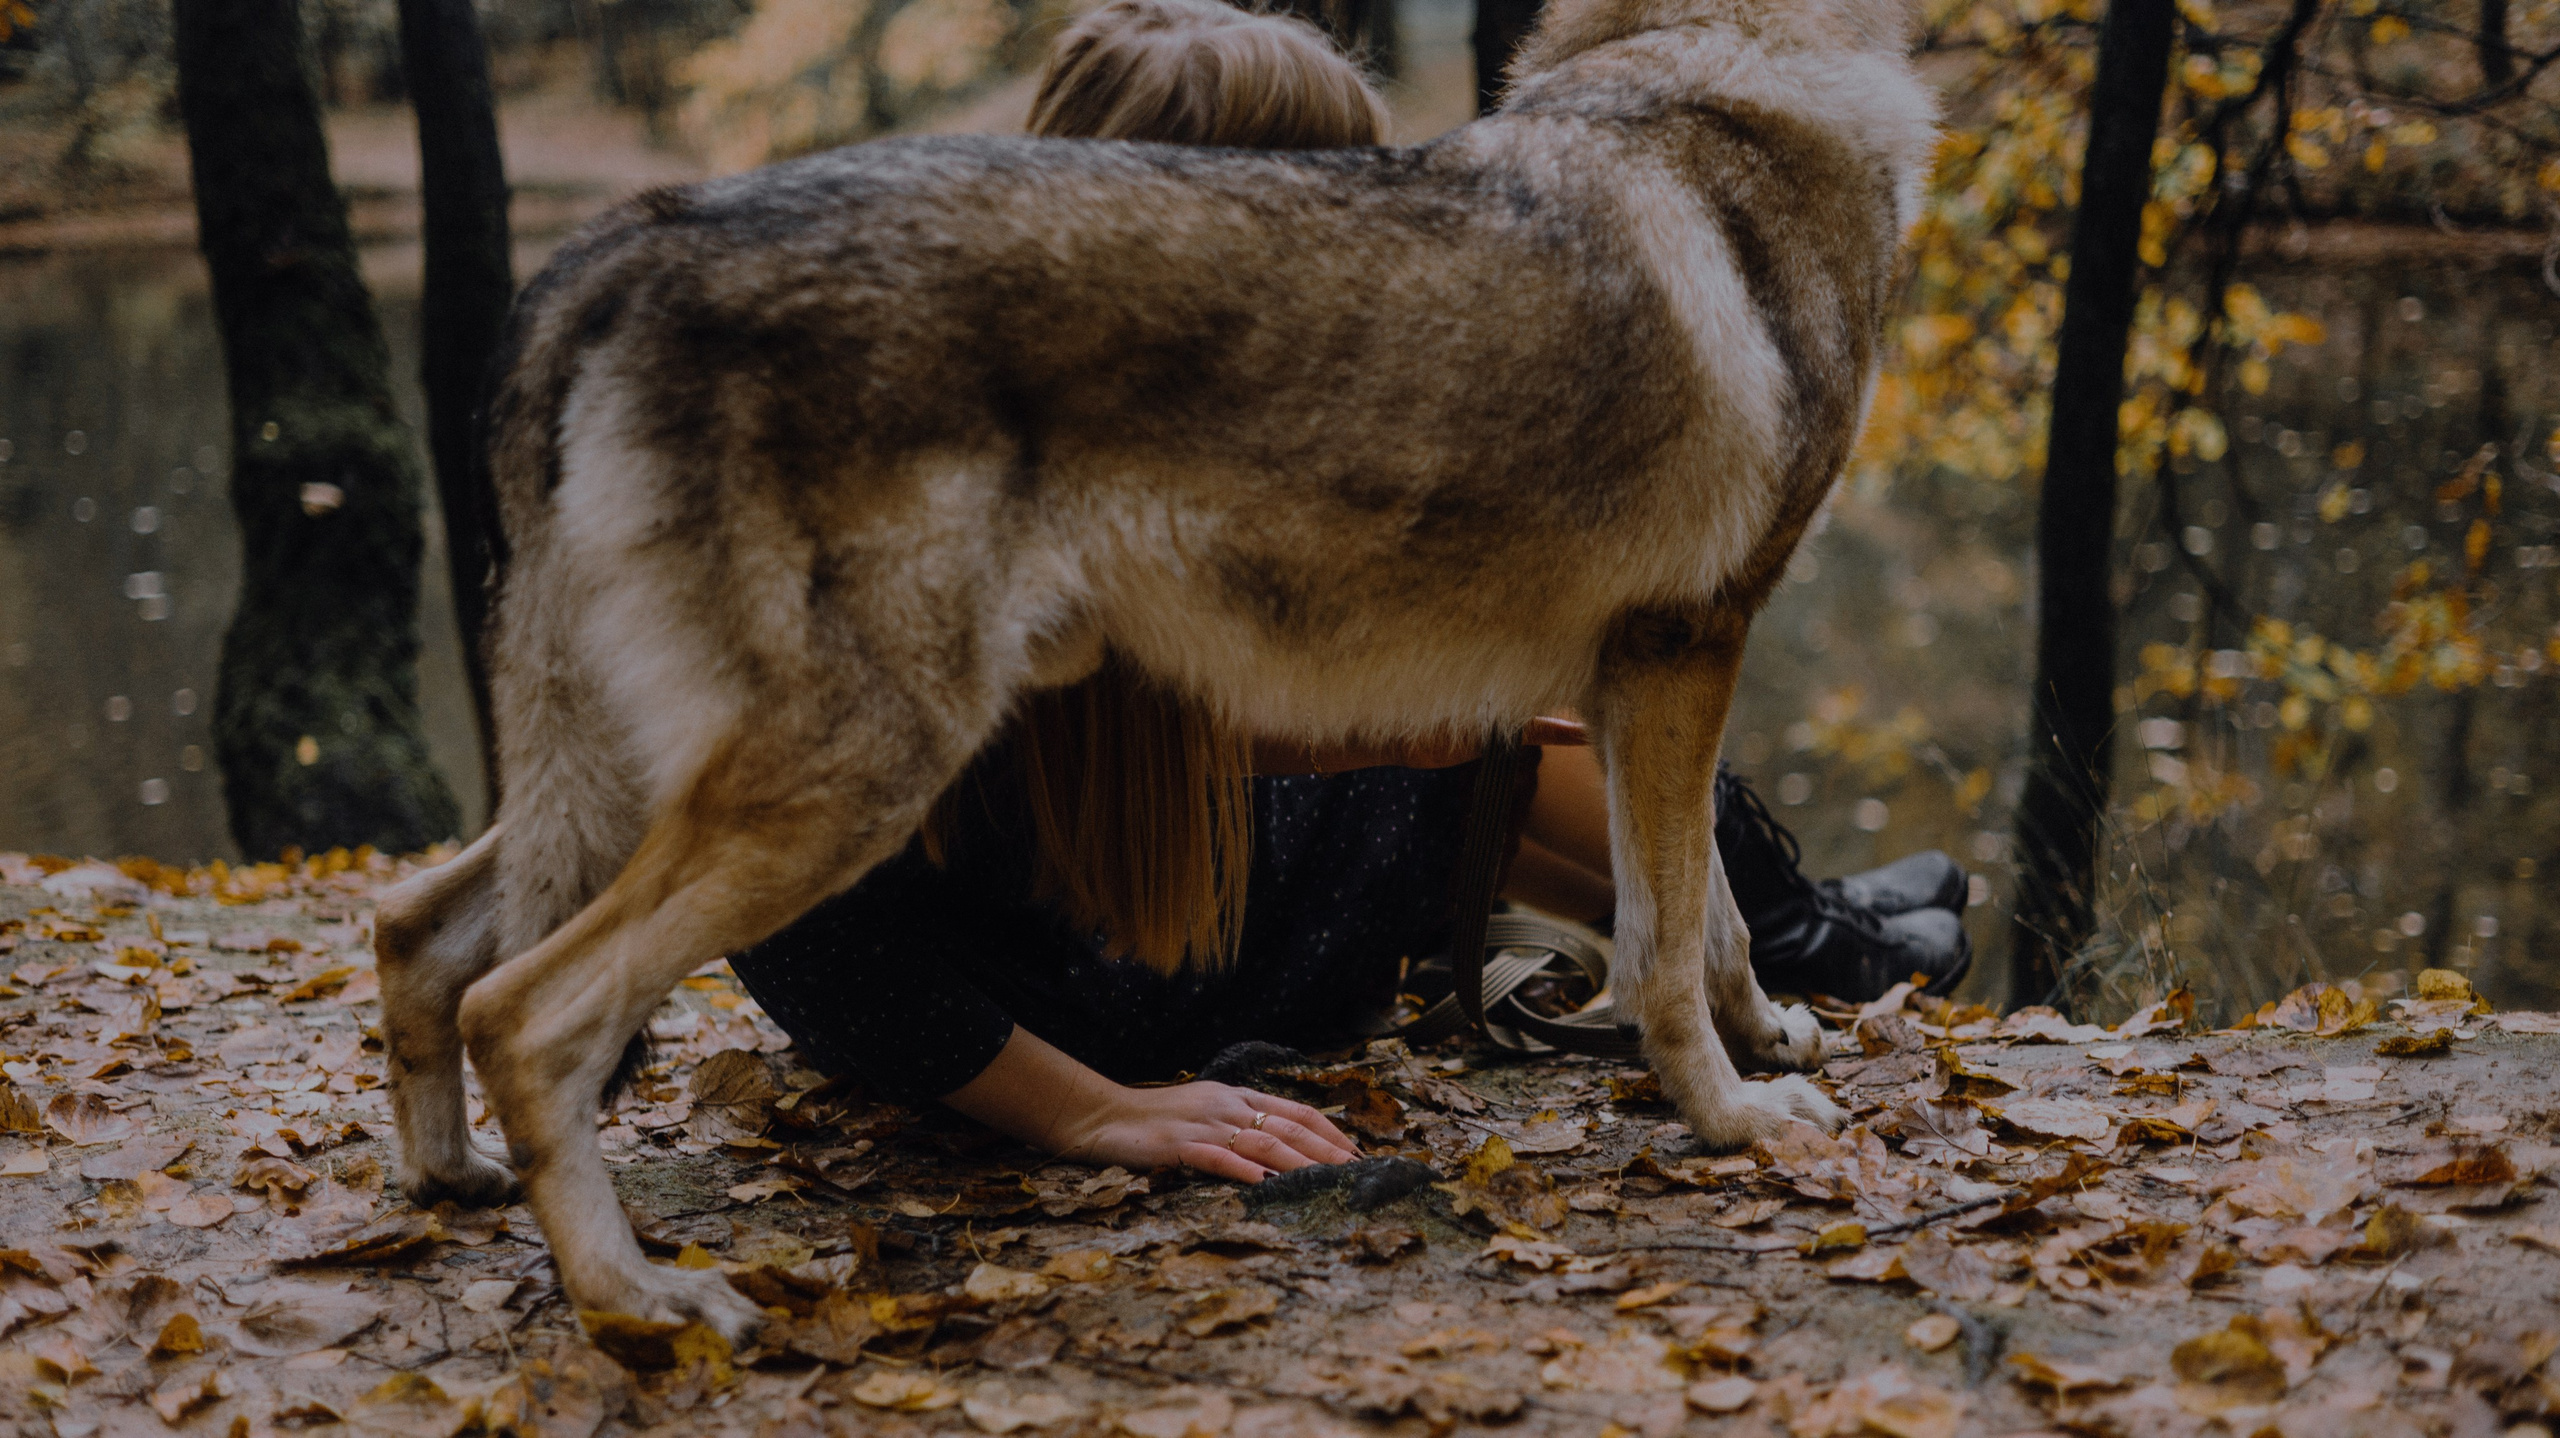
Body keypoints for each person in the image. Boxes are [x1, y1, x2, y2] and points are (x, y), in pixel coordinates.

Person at [728, 0, 1968, 1186]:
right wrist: (1090, 1110)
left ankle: (1798, 924)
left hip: (1208, 904)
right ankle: (1810, 939)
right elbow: (791, 920)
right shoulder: (975, 501)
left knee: (1549, 692)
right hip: (1103, 995)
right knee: (1529, 720)